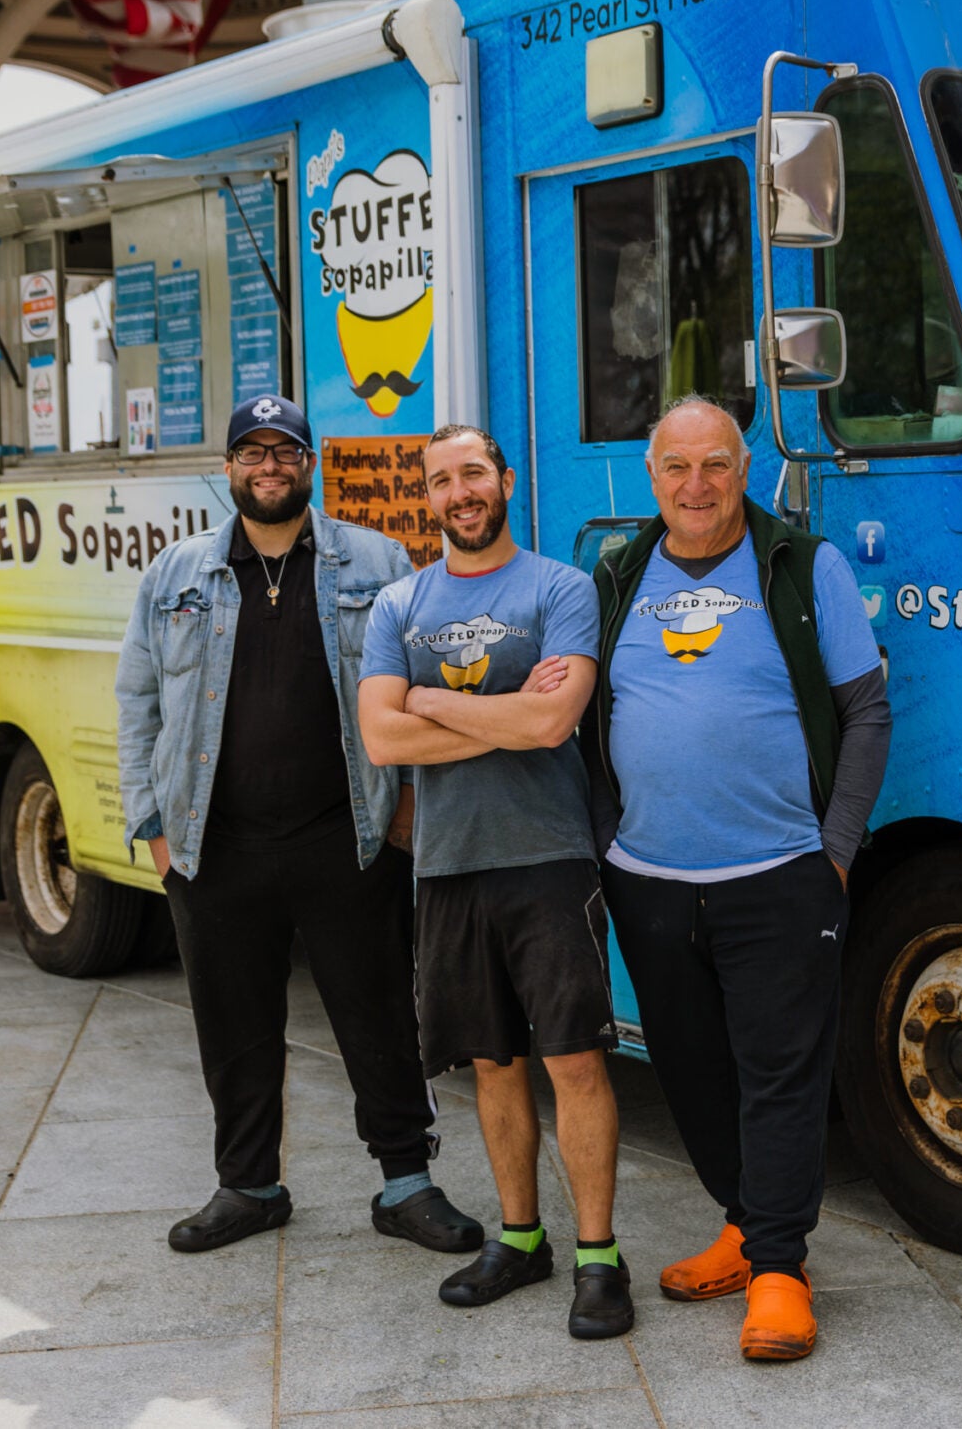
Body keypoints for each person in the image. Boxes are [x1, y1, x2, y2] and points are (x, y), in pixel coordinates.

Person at [115, 394, 482, 1258]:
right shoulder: (176, 574)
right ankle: (248, 1185)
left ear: (310, 464)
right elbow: (136, 704)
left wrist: (403, 807)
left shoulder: (377, 561)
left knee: (381, 1013)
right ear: (231, 466)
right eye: (253, 451)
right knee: (232, 1025)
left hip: (345, 835)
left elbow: (417, 688)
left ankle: (406, 1184)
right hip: (215, 844)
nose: (270, 466)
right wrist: (156, 827)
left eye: (286, 451)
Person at [583, 395, 891, 1362]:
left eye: (715, 464)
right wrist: (607, 841)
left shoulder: (804, 566)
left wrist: (834, 850)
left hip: (780, 874)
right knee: (690, 1069)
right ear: (651, 476)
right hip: (650, 878)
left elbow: (868, 712)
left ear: (744, 467)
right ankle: (741, 1226)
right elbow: (590, 711)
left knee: (780, 1074)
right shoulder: (619, 571)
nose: (697, 485)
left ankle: (781, 1270)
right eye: (677, 467)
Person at [356, 425, 633, 1339]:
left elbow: (557, 722)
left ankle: (599, 1255)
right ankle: (521, 1238)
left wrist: (431, 697)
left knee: (575, 1058)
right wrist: (502, 715)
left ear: (504, 480)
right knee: (491, 1061)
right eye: (442, 480)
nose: (460, 491)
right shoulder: (398, 602)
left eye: (474, 472)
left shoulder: (560, 588)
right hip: (448, 866)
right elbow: (382, 740)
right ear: (428, 498)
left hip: (550, 858)